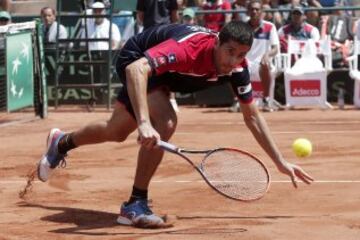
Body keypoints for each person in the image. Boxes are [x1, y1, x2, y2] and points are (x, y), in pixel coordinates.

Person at [37, 22, 314, 229]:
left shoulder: (237, 70)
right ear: (217, 42)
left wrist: (280, 161)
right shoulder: (189, 48)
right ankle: (135, 203)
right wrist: (145, 123)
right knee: (166, 121)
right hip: (137, 57)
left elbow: (252, 116)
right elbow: (137, 69)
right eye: (229, 51)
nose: (233, 61)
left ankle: (61, 142)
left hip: (168, 76)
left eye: (241, 54)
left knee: (117, 131)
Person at [232, 0, 279, 112]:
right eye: (252, 9)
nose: (254, 11)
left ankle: (266, 100)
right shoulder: (242, 27)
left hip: (262, 63)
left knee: (264, 64)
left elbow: (275, 48)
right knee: (229, 68)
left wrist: (267, 54)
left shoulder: (270, 26)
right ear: (248, 11)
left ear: (262, 11)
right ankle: (237, 100)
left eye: (257, 9)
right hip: (245, 62)